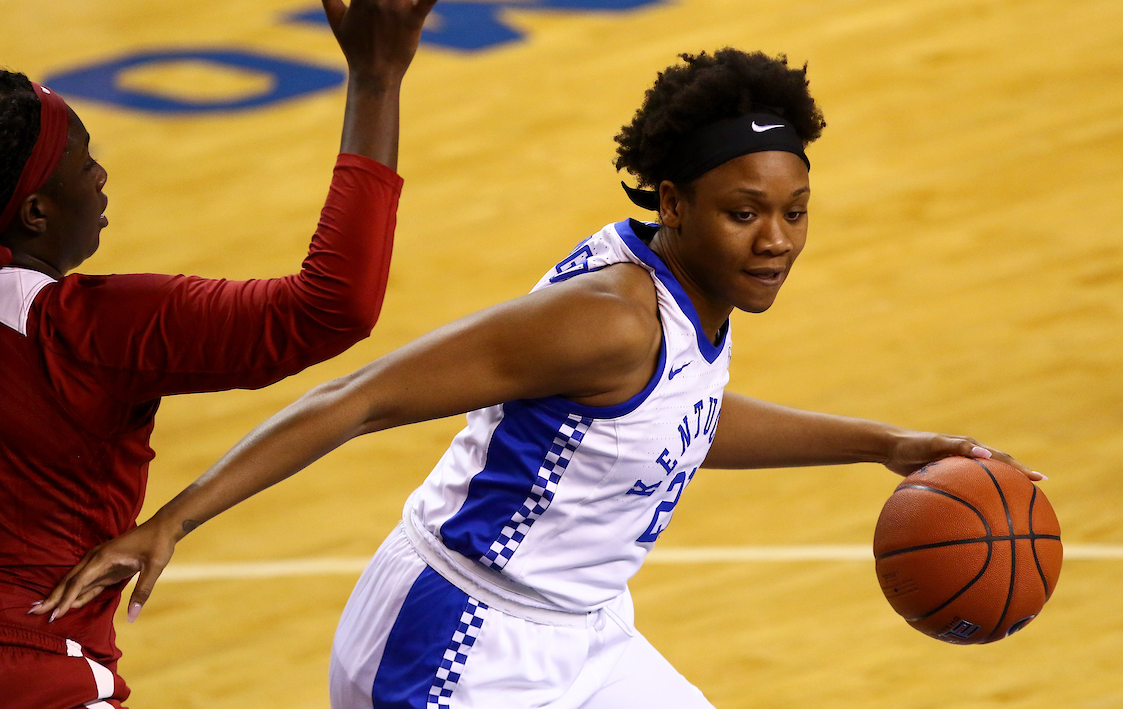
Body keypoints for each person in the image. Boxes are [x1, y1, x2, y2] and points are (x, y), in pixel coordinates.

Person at [37, 48, 1046, 708]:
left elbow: (685, 419)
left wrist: (884, 443)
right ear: (674, 199)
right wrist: (176, 517)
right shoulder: (603, 320)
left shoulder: (686, 295)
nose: (776, 239)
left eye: (796, 210)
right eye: (747, 211)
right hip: (456, 643)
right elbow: (361, 394)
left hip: (585, 633)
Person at [2, 0, 452, 709]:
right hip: (39, 666)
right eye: (83, 163)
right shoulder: (82, 332)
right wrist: (376, 82)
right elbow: (328, 306)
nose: (102, 173)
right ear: (35, 212)